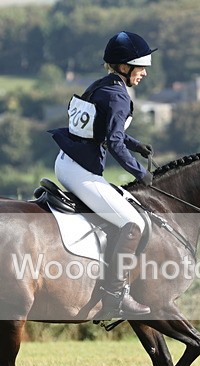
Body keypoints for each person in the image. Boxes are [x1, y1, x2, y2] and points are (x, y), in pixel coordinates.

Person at [49, 31, 156, 318]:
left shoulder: (103, 85)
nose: (144, 73)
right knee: (133, 223)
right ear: (124, 67)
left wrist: (136, 144)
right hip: (79, 171)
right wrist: (139, 172)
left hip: (66, 160)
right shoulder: (118, 96)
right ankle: (115, 296)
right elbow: (113, 142)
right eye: (140, 67)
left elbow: (106, 128)